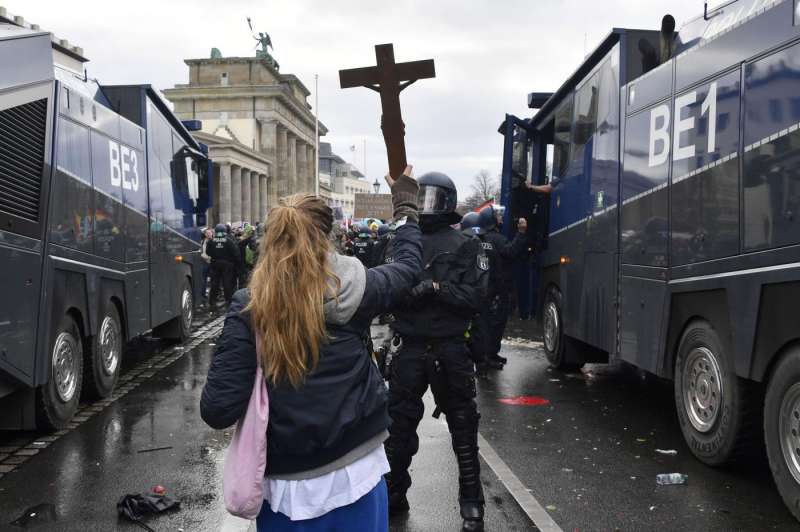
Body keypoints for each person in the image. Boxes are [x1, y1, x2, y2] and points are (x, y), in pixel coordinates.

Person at [200, 166, 422, 531]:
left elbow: (218, 410)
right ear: (327, 238)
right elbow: (409, 267)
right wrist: (406, 208)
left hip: (286, 490)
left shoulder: (248, 306)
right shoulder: (355, 288)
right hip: (358, 472)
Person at [384, 171, 489, 532]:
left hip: (448, 347)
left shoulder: (466, 245)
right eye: (422, 197)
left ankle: (472, 505)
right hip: (412, 347)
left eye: (433, 198)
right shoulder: (403, 243)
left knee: (462, 428)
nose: (427, 205)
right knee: (397, 429)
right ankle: (394, 494)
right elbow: (387, 294)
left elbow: (475, 297)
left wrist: (434, 287)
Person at [460, 212, 502, 374]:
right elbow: (496, 271)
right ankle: (482, 362)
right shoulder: (489, 244)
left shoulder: (459, 243)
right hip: (484, 296)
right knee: (482, 329)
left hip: (464, 296)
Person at [207, 223, 241, 309]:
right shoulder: (229, 241)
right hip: (227, 265)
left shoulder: (211, 241)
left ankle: (212, 302)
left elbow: (208, 252)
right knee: (227, 284)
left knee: (214, 284)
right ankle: (228, 302)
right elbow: (236, 253)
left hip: (215, 264)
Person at [238, 223, 259, 287]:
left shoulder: (240, 240)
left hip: (243, 263)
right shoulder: (253, 240)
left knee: (243, 280)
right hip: (250, 263)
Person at [200, 227, 214, 306]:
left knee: (213, 279)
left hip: (212, 262)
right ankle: (203, 294)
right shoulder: (203, 242)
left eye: (210, 233)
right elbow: (202, 251)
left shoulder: (214, 241)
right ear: (205, 234)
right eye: (207, 233)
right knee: (204, 279)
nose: (208, 234)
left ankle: (212, 294)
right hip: (205, 262)